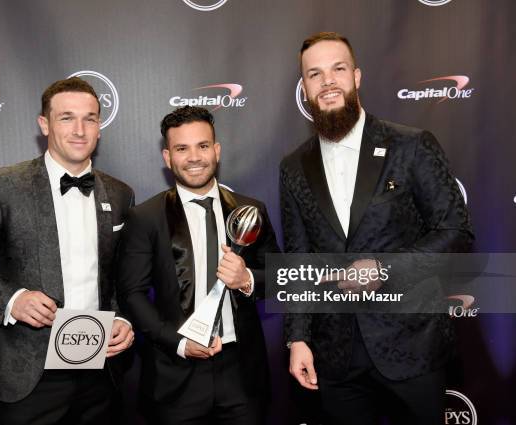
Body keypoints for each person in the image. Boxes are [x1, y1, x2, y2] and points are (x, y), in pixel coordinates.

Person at [281, 32, 474, 425]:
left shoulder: (411, 145)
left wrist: (385, 268)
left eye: (338, 69)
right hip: (335, 356)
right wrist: (297, 337)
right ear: (304, 88)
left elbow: (456, 231)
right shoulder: (293, 166)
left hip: (413, 346)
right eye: (315, 74)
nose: (328, 81)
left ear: (357, 76)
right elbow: (299, 258)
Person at [0, 77, 135, 425]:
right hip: (25, 373)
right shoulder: (3, 184)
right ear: (44, 124)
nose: (79, 130)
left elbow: (120, 275)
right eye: (66, 117)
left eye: (90, 118)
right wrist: (12, 298)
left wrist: (121, 317)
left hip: (98, 370)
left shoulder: (120, 193)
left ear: (99, 127)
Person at [117, 106, 279, 425]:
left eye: (203, 146)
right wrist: (179, 343)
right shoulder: (145, 218)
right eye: (182, 148)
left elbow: (279, 278)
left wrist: (246, 278)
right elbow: (132, 295)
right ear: (168, 157)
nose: (194, 157)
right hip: (174, 377)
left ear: (216, 151)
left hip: (242, 376)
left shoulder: (250, 211)